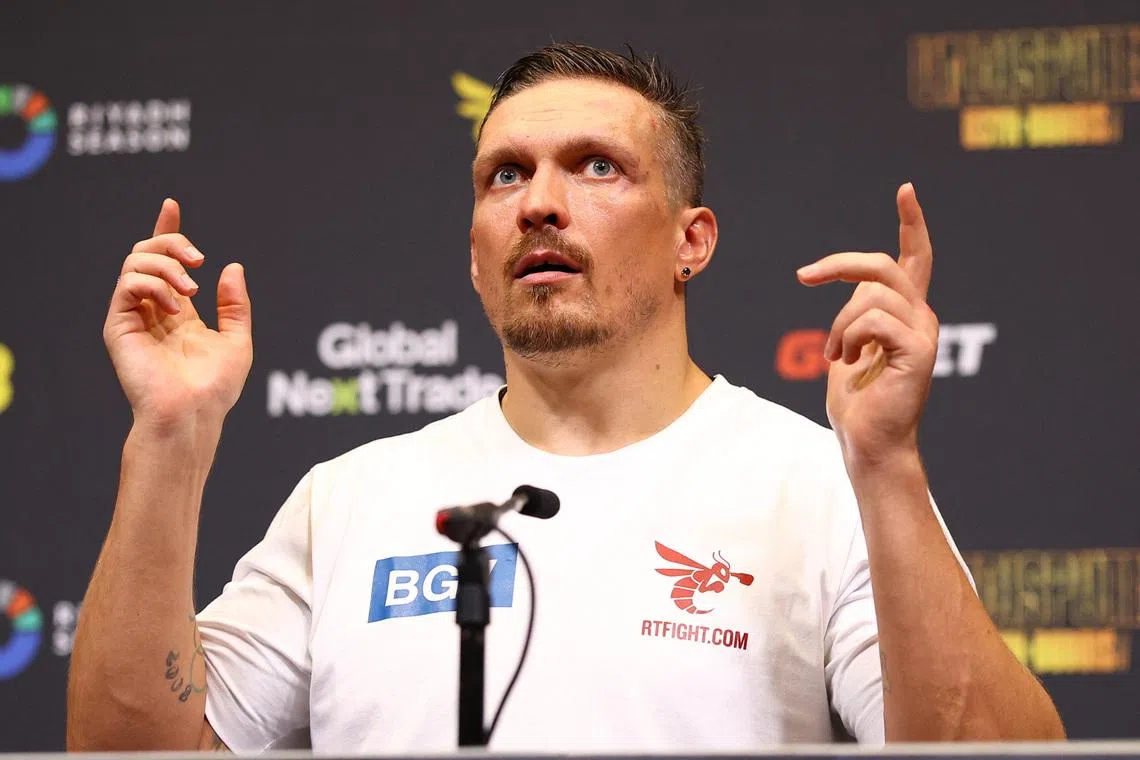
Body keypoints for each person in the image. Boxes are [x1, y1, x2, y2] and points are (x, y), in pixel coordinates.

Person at [67, 43, 1065, 752]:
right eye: (505, 174)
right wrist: (168, 436)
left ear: (692, 241)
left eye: (597, 166)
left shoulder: (816, 481)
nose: (539, 200)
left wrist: (888, 467)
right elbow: (129, 753)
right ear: (474, 256)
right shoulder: (349, 497)